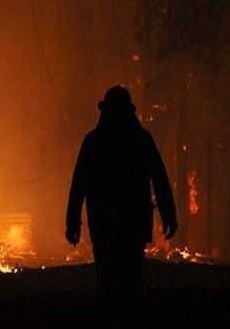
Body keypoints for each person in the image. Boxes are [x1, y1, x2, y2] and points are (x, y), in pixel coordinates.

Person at [65, 84, 177, 306]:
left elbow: (79, 184)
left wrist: (73, 223)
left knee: (107, 279)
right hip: (133, 222)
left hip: (103, 222)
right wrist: (169, 215)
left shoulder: (94, 141)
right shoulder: (141, 139)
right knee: (131, 277)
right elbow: (160, 179)